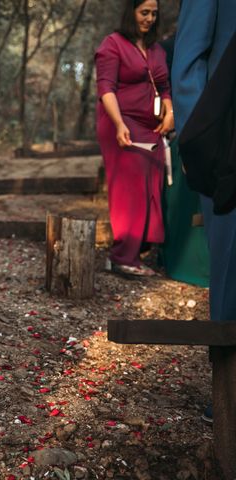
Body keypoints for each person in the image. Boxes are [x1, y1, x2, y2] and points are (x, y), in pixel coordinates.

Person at [172, 0, 236, 429]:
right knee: (232, 272)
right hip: (228, 147)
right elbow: (189, 59)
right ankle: (230, 390)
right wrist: (204, 144)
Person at [95, 0, 174, 276]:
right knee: (130, 189)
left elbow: (164, 86)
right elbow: (106, 88)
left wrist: (170, 109)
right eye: (144, 12)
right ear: (131, 12)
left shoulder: (156, 49)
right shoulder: (112, 44)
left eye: (154, 13)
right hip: (120, 122)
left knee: (151, 186)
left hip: (150, 127)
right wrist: (118, 124)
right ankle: (122, 257)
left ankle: (138, 251)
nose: (150, 18)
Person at [158, 32, 209, 287]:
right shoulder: (168, 47)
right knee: (179, 197)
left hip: (210, 130)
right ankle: (176, 258)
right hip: (178, 133)